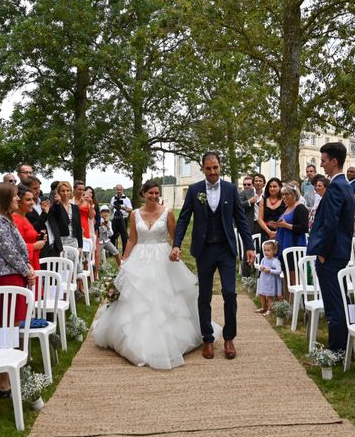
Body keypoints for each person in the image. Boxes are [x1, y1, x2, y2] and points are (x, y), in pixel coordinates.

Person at [94, 180, 205, 369]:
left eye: (156, 193)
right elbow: (131, 240)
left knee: (166, 298)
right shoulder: (135, 214)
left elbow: (174, 237)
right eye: (150, 193)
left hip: (163, 258)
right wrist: (124, 261)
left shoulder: (167, 212)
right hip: (140, 256)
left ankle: (172, 341)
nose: (154, 196)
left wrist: (176, 250)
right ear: (143, 193)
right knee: (138, 300)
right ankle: (135, 343)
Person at [171, 152, 255, 360]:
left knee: (229, 293)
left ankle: (228, 338)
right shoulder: (194, 190)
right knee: (205, 295)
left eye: (215, 167)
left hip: (226, 249)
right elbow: (183, 220)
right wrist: (177, 244)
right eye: (208, 168)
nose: (212, 172)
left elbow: (241, 220)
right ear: (202, 169)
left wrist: (249, 246)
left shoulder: (230, 189)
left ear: (220, 167)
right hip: (204, 250)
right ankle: (207, 338)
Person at [0, 182, 35, 396]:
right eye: (14, 196)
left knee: (12, 328)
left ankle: (7, 374)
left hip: (14, 277)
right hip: (7, 280)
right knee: (6, 328)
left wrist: (27, 269)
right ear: (5, 199)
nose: (17, 199)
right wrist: (27, 270)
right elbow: (9, 253)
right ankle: (2, 381)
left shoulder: (5, 221)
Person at [307, 142, 355, 354]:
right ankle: (341, 346)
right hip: (338, 252)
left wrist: (323, 253)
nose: (322, 164)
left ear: (334, 161)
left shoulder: (336, 186)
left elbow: (330, 223)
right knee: (338, 300)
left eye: (324, 160)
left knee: (334, 302)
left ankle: (337, 349)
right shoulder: (344, 185)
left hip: (332, 254)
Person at [271, 184, 308, 295]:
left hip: (294, 246)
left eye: (286, 194)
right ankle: (287, 302)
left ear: (294, 195)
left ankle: (294, 302)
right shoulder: (286, 208)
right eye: (282, 194)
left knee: (293, 274)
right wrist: (277, 226)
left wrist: (286, 226)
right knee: (286, 273)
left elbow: (304, 228)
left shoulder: (300, 208)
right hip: (283, 245)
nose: (284, 197)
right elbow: (284, 224)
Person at [13, 185, 47, 271]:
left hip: (32, 261)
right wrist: (34, 246)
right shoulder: (16, 219)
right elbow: (15, 247)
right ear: (18, 201)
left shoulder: (24, 217)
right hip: (26, 264)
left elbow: (26, 238)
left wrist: (39, 238)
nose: (32, 202)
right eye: (28, 200)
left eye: (32, 199)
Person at [51, 181, 83, 270]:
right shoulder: (55, 207)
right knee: (65, 270)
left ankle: (78, 283)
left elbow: (79, 228)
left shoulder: (75, 208)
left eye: (68, 190)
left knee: (77, 270)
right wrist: (58, 204)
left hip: (73, 241)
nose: (65, 193)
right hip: (61, 242)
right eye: (63, 191)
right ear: (58, 192)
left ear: (71, 192)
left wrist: (80, 245)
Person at [256, 241, 282, 315]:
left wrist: (270, 270)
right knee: (262, 294)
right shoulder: (264, 259)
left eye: (268, 250)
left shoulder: (275, 261)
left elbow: (279, 271)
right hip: (263, 280)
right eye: (265, 250)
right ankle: (263, 307)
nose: (266, 252)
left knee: (269, 296)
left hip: (270, 281)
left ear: (274, 251)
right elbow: (259, 266)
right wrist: (261, 267)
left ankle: (270, 309)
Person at [257, 177, 286, 242]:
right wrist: (269, 232)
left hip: (281, 232)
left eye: (275, 186)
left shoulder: (285, 200)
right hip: (265, 232)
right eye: (270, 186)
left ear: (280, 187)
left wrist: (277, 232)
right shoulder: (263, 200)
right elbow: (260, 219)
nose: (272, 189)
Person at [109, 184, 133, 254]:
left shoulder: (126, 199)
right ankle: (112, 252)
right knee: (112, 235)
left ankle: (125, 252)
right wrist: (112, 206)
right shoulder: (113, 198)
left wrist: (123, 208)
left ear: (122, 190)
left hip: (123, 219)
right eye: (117, 190)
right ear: (115, 190)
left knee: (124, 236)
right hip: (115, 218)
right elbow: (110, 208)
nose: (119, 191)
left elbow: (131, 209)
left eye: (120, 190)